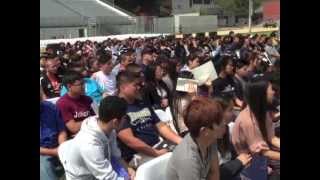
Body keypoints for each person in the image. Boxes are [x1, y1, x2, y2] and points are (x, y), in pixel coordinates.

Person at [58, 96, 135, 180]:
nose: (126, 120)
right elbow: (107, 177)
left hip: (97, 169)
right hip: (81, 176)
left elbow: (116, 156)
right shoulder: (90, 145)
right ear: (115, 122)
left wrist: (128, 169)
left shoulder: (109, 128)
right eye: (125, 118)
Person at [116, 71, 182, 168]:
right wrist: (156, 153)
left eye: (139, 85)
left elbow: (161, 126)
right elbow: (130, 140)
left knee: (184, 151)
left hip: (158, 145)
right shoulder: (118, 109)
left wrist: (179, 140)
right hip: (137, 155)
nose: (139, 88)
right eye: (135, 85)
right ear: (123, 87)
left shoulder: (142, 103)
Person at [231, 75, 280, 177]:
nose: (273, 92)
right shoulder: (247, 120)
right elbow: (261, 151)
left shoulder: (263, 111)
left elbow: (271, 137)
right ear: (261, 94)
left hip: (260, 162)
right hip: (249, 166)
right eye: (270, 89)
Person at [166, 97, 225, 180]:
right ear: (205, 131)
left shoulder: (211, 140)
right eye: (219, 122)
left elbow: (213, 172)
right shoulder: (188, 160)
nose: (224, 123)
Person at [214, 97, 252, 180]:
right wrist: (238, 163)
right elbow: (215, 174)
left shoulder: (228, 129)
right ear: (220, 113)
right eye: (230, 110)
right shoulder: (211, 141)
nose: (234, 113)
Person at [56, 71, 95, 137]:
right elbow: (73, 128)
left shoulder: (88, 99)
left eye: (84, 83)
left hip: (92, 133)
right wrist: (92, 121)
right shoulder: (62, 103)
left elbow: (98, 118)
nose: (84, 86)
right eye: (81, 84)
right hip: (76, 138)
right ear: (69, 86)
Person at [40, 88, 67, 180]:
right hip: (42, 153)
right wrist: (54, 152)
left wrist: (62, 147)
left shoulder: (50, 107)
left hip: (58, 146)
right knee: (44, 166)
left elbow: (62, 130)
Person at [171, 71, 197, 137]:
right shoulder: (181, 101)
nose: (195, 83)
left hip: (194, 126)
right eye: (192, 81)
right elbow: (195, 115)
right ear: (185, 83)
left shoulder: (187, 94)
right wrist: (193, 97)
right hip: (187, 131)